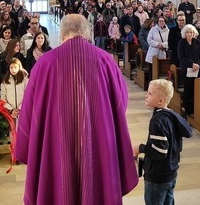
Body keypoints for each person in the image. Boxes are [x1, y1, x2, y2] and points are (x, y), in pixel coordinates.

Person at [17, 14, 138, 204]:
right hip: (97, 140)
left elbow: (30, 108)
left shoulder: (45, 63)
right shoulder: (106, 60)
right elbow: (120, 101)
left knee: (59, 183)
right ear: (87, 33)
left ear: (62, 34)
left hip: (55, 140)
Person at [132, 79, 192, 205]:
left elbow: (160, 152)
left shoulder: (158, 120)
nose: (146, 95)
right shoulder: (172, 115)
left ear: (160, 101)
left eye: (150, 93)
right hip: (170, 173)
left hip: (157, 177)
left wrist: (140, 148)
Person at [177, 24, 200, 118]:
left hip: (197, 70)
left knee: (196, 90)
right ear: (185, 33)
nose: (189, 34)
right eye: (187, 32)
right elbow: (181, 57)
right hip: (186, 70)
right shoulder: (181, 43)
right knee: (188, 91)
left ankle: (196, 111)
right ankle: (188, 112)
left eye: (191, 32)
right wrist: (192, 64)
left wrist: (198, 64)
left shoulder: (198, 43)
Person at [0, 57, 29, 123]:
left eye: (15, 67)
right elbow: (3, 97)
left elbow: (28, 96)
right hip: (10, 113)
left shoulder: (25, 80)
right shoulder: (5, 81)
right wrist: (11, 110)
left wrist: (19, 109)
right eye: (11, 67)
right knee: (12, 131)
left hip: (23, 111)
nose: (13, 69)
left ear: (19, 67)